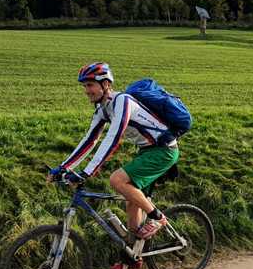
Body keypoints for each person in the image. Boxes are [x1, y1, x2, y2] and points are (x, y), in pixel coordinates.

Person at [50, 62, 180, 247]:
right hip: (146, 152)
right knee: (132, 203)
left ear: (105, 84)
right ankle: (134, 254)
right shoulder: (102, 109)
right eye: (84, 86)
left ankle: (158, 218)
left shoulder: (123, 102)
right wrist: (64, 167)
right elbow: (89, 141)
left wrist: (86, 172)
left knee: (117, 180)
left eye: (90, 85)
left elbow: (113, 137)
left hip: (163, 151)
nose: (86, 90)